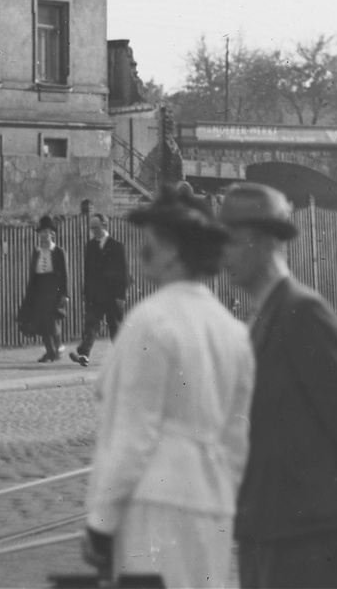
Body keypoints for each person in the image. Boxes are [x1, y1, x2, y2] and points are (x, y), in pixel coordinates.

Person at [81, 185, 255, 589]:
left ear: (174, 250)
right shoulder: (234, 333)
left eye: (152, 242)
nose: (143, 252)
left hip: (154, 506)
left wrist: (101, 521)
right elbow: (238, 439)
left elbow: (132, 433)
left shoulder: (150, 322)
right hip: (212, 507)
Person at [223, 183, 337, 588]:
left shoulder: (301, 311)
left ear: (262, 242)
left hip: (301, 522)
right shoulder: (264, 313)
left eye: (232, 243)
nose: (224, 257)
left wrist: (329, 493)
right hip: (268, 515)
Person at [71, 213, 129, 366]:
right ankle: (84, 355)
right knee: (91, 325)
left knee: (115, 327)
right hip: (95, 295)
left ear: (105, 225)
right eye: (91, 228)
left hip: (112, 295)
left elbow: (123, 273)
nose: (94, 231)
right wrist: (86, 294)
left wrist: (120, 296)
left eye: (96, 228)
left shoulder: (117, 246)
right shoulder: (90, 246)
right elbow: (88, 272)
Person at [16, 216, 69, 363]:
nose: (44, 235)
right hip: (39, 289)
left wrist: (65, 294)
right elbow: (33, 273)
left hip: (54, 289)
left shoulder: (59, 252)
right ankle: (51, 352)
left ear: (52, 234)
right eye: (42, 233)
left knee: (52, 322)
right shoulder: (37, 251)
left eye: (47, 232)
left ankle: (57, 348)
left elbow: (64, 275)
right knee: (41, 322)